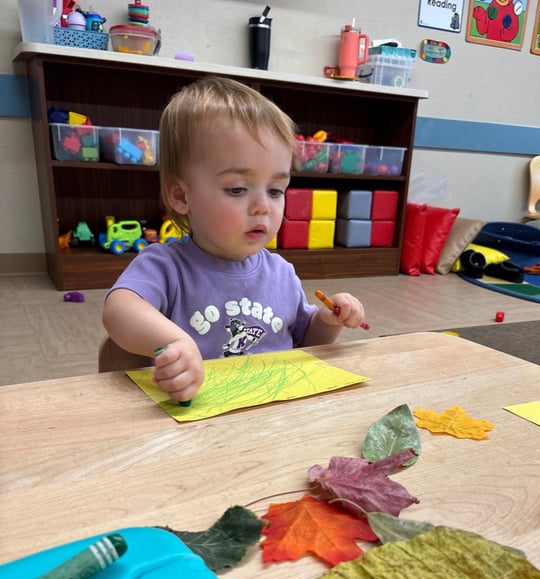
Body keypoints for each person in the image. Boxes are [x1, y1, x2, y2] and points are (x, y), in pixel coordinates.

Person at [102, 76, 366, 403]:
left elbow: (306, 342)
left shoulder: (282, 273)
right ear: (181, 196)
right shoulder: (165, 266)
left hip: (275, 409)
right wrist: (175, 342)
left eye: (275, 190)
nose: (262, 207)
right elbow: (118, 312)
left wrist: (327, 320)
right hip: (201, 417)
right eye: (238, 189)